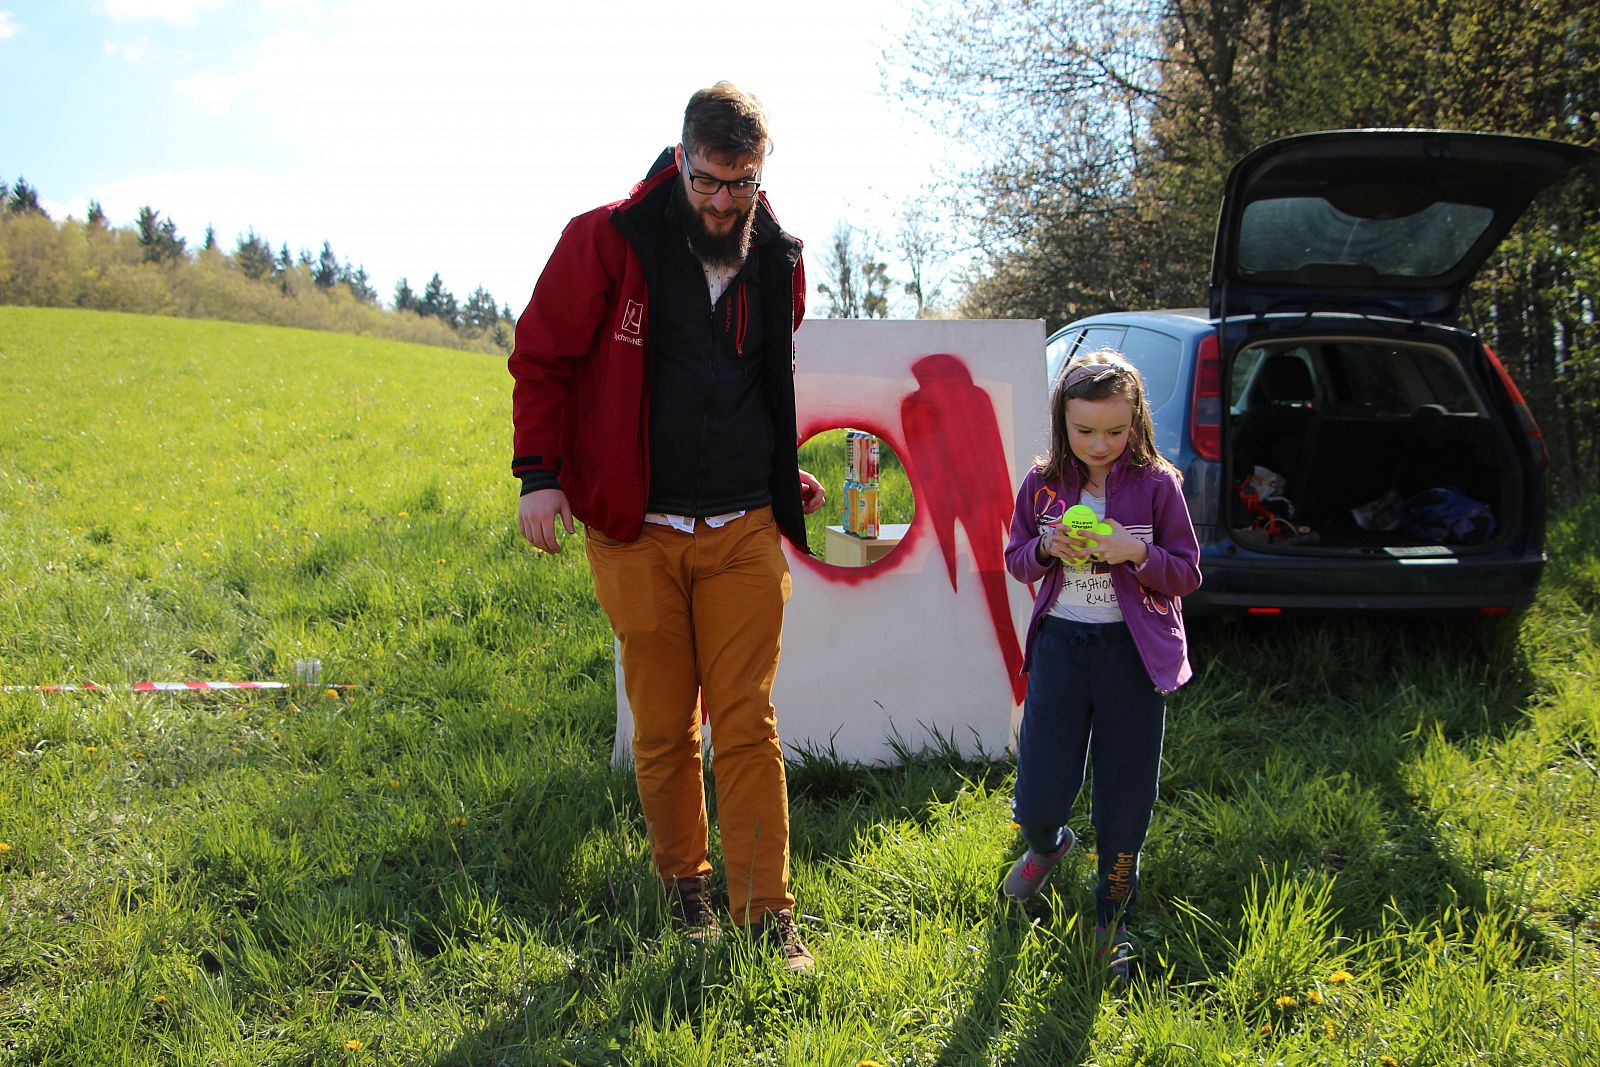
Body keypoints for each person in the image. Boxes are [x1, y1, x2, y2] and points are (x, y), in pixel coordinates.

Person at [508, 82, 824, 971]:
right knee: (662, 723)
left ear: (762, 175)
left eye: (742, 183)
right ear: (680, 159)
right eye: (709, 181)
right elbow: (540, 357)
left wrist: (773, 464)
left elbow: (755, 379)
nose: (723, 201)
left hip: (743, 525)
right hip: (634, 528)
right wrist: (539, 476)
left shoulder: (779, 259)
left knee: (748, 720)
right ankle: (687, 892)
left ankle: (766, 916)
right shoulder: (605, 239)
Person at [1000, 349, 1202, 983]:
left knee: (1123, 808)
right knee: (1037, 799)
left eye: (1115, 431)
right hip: (1061, 650)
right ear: (1062, 421)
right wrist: (1046, 545)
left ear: (1136, 420)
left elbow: (1186, 573)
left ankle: (1111, 921)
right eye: (1084, 430)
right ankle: (1046, 846)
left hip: (1132, 659)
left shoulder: (1159, 485)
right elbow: (1016, 559)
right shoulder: (1042, 483)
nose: (1099, 444)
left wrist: (1134, 552)